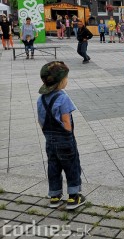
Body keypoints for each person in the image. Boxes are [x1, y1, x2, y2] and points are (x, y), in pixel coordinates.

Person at [37, 61, 85, 209]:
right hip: (65, 140)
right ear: (61, 81)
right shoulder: (63, 97)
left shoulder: (41, 99)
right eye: (66, 78)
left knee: (53, 167)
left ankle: (55, 195)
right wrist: (68, 131)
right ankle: (73, 197)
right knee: (71, 166)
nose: (67, 80)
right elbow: (66, 120)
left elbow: (41, 120)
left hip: (49, 141)